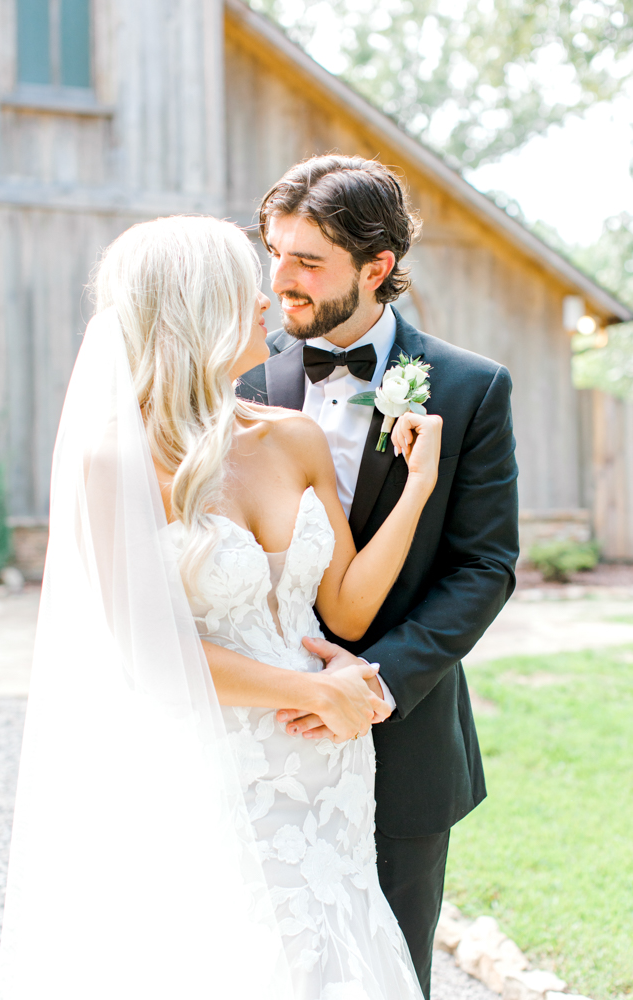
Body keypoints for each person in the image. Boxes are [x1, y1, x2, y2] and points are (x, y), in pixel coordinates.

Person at [0, 214, 442, 1000]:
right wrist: (316, 692)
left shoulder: (293, 436)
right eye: (247, 287)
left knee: (336, 944)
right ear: (197, 309)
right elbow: (147, 656)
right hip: (218, 755)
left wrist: (416, 490)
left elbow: (340, 604)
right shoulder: (116, 459)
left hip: (328, 758)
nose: (269, 299)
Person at [237, 154, 519, 999]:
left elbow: (484, 564)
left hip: (404, 740)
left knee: (392, 970)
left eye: (307, 261)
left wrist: (377, 685)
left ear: (377, 268)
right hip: (265, 735)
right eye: (273, 251)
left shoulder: (471, 389)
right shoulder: (240, 378)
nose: (278, 280)